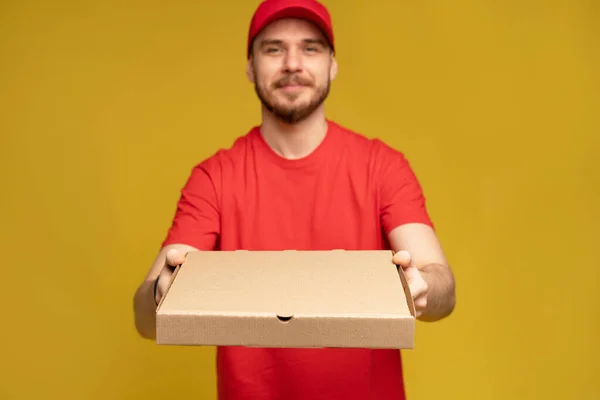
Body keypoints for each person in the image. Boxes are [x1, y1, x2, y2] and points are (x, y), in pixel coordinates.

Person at [133, 0, 456, 399]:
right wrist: (161, 293)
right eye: (273, 49)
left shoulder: (382, 166)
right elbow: (146, 319)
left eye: (310, 47)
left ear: (332, 65)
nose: (291, 63)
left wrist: (421, 287)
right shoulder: (214, 177)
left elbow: (442, 287)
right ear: (250, 66)